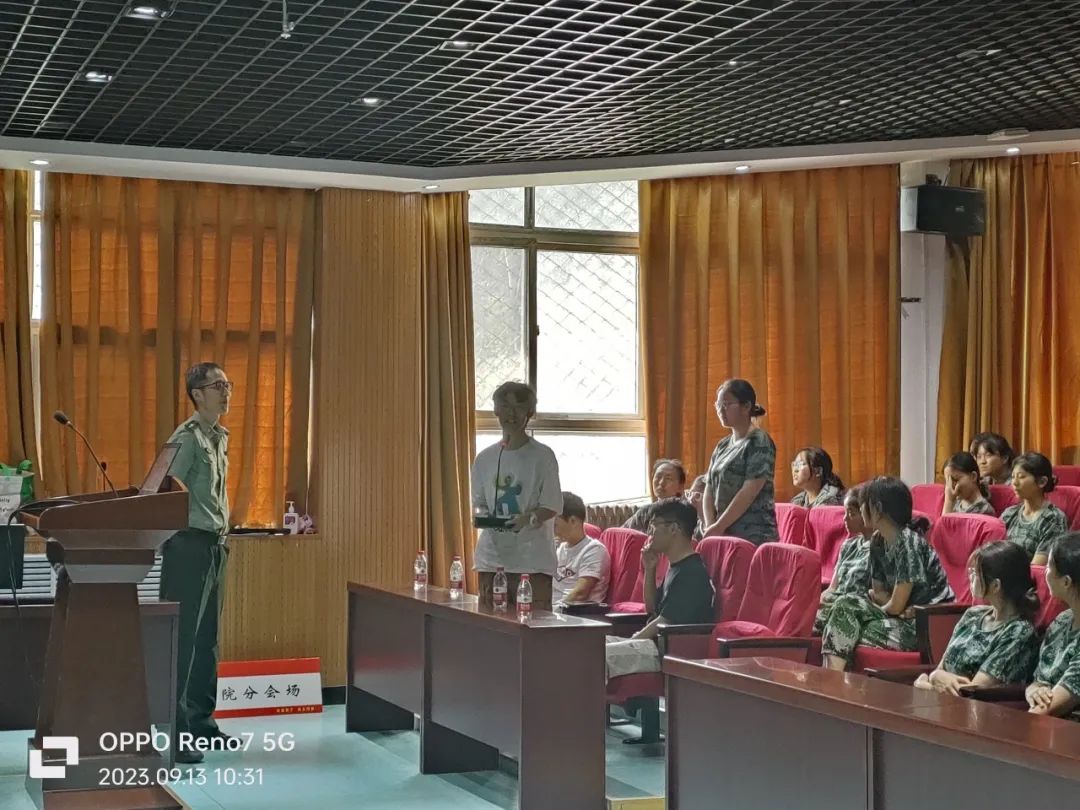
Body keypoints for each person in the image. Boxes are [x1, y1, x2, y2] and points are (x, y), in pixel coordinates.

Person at [160, 362, 234, 764]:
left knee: (207, 641)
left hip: (214, 547)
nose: (225, 392)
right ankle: (177, 733)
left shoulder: (218, 437)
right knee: (184, 640)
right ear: (197, 394)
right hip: (188, 547)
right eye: (217, 385)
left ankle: (203, 725)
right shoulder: (185, 438)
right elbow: (163, 490)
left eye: (227, 385)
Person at [820, 477, 954, 671]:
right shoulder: (877, 541)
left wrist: (884, 608)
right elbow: (879, 593)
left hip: (924, 625)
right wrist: (886, 606)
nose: (861, 509)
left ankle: (832, 681)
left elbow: (895, 604)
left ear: (877, 508)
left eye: (864, 504)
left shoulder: (908, 543)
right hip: (899, 616)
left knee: (848, 627)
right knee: (844, 608)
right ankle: (832, 681)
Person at [471, 381, 562, 611]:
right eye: (505, 407)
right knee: (489, 624)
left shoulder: (543, 456)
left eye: (519, 407)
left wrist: (527, 519)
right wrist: (483, 517)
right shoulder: (484, 458)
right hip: (491, 560)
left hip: (531, 563)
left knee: (532, 625)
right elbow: (479, 502)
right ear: (496, 410)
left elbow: (552, 504)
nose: (511, 414)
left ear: (529, 413)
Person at [605, 499, 716, 679]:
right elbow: (652, 610)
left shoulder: (692, 572)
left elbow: (666, 621)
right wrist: (650, 569)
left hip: (668, 650)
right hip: (652, 645)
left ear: (673, 529)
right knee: (588, 645)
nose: (650, 533)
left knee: (598, 655)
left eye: (654, 525)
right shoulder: (676, 566)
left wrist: (631, 641)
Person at [914, 542, 1039, 694]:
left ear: (995, 586)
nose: (970, 576)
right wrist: (936, 676)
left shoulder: (1019, 632)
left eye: (975, 573)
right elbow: (941, 669)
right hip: (942, 699)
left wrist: (927, 682)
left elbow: (973, 692)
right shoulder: (973, 615)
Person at [702, 379, 777, 545]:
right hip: (721, 533)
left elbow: (749, 491)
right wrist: (710, 525)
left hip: (753, 535)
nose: (720, 410)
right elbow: (709, 487)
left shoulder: (759, 441)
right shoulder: (722, 445)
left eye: (726, 404)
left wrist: (719, 526)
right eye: (718, 405)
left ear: (746, 406)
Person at [1027, 533, 1080, 718]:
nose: (1044, 572)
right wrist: (1034, 691)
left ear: (1066, 582)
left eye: (1049, 566)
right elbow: (1037, 681)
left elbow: (1049, 709)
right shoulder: (1062, 621)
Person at [814, 484, 871, 634]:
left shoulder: (878, 550)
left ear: (866, 514)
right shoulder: (848, 545)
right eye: (845, 513)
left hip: (852, 609)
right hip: (834, 603)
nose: (845, 518)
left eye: (851, 513)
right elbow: (833, 588)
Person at [1000, 452, 1067, 566]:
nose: (1014, 482)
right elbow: (992, 551)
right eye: (1013, 477)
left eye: (1021, 477)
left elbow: (1036, 568)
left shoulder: (1054, 518)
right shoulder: (1009, 513)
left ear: (1042, 482)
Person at [553, 492, 610, 607]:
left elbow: (580, 594)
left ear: (573, 521)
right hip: (554, 610)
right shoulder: (560, 549)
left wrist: (555, 610)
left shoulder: (594, 550)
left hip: (574, 612)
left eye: (555, 524)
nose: (553, 530)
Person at [623, 459, 688, 534]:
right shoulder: (645, 511)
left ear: (680, 487)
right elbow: (621, 533)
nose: (661, 482)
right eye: (658, 476)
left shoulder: (686, 512)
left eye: (668, 478)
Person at [942, 451, 995, 516]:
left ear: (973, 476)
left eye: (955, 480)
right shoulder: (955, 503)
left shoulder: (985, 509)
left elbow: (946, 523)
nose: (950, 486)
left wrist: (949, 501)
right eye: (948, 482)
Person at [687, 474, 707, 540]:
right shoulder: (693, 527)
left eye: (697, 495)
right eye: (690, 494)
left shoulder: (722, 528)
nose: (691, 500)